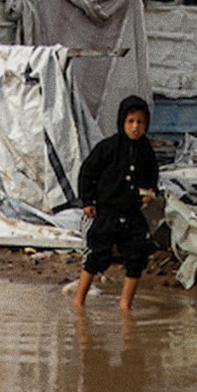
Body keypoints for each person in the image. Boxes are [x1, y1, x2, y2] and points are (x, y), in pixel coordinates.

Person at [72, 95, 158, 311]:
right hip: (106, 212)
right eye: (130, 122)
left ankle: (125, 306)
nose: (135, 127)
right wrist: (88, 201)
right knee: (97, 255)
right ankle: (78, 302)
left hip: (132, 214)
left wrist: (150, 193)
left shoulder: (146, 151)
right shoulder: (108, 147)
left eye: (140, 122)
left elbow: (151, 177)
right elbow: (88, 173)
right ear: (122, 122)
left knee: (137, 255)